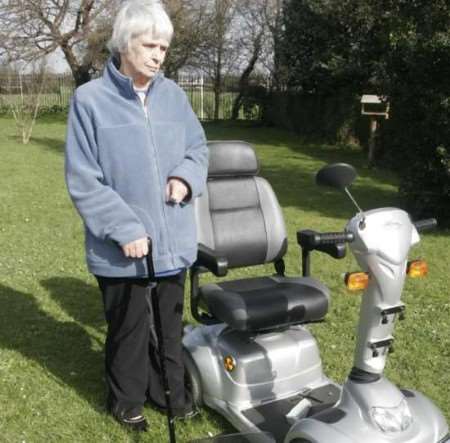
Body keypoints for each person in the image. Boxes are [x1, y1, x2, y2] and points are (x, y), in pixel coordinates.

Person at [65, 0, 208, 432]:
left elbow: (197, 149)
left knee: (169, 325)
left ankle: (172, 395)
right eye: (150, 45)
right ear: (125, 44)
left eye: (163, 47)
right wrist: (124, 228)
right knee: (128, 330)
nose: (158, 55)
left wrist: (185, 177)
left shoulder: (174, 96)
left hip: (173, 240)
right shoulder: (90, 101)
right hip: (122, 248)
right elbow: (84, 178)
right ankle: (127, 402)